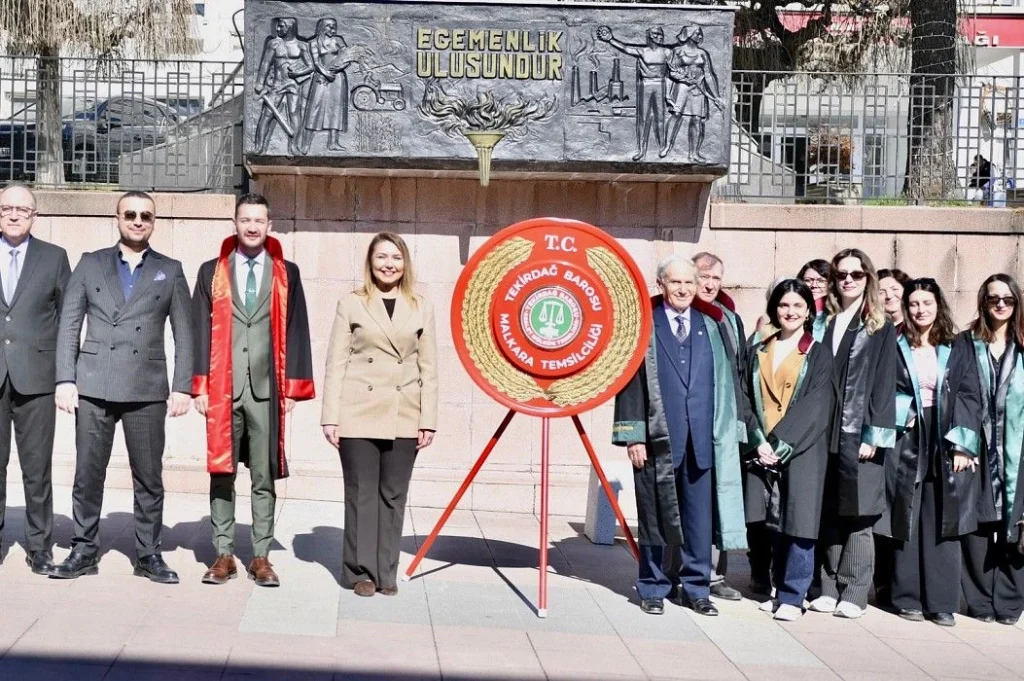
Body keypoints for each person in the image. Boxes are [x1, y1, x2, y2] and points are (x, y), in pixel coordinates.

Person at [51, 191, 193, 583]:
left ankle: (149, 553)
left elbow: (185, 332)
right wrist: (65, 378)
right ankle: (84, 548)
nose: (137, 221)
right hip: (94, 383)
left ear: (153, 223)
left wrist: (183, 386)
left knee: (149, 475)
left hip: (146, 388)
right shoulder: (90, 264)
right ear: (117, 218)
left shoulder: (170, 269)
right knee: (87, 472)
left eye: (145, 216)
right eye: (130, 214)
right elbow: (69, 325)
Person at [613, 255, 748, 616]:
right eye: (676, 282)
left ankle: (696, 588)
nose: (684, 289)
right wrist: (633, 435)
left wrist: (732, 429)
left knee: (698, 519)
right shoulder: (644, 325)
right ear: (661, 285)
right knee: (655, 516)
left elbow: (730, 380)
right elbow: (628, 384)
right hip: (657, 439)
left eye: (689, 282)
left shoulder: (712, 325)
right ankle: (654, 587)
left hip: (703, 439)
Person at [191, 193, 315, 587]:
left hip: (266, 389)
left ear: (269, 225)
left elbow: (297, 329)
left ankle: (260, 556)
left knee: (263, 475)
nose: (252, 227)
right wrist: (200, 387)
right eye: (245, 219)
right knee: (222, 471)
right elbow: (198, 332)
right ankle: (223, 552)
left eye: (259, 220)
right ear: (235, 223)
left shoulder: (286, 273)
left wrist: (293, 387)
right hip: (224, 387)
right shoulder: (212, 271)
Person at [321, 232, 438, 597]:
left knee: (393, 494)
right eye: (382, 257)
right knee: (361, 493)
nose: (389, 264)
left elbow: (429, 366)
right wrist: (331, 415)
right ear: (370, 263)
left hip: (404, 411)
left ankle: (386, 571)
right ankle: (360, 572)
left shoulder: (421, 306)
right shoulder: (352, 304)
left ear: (406, 263)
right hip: (358, 410)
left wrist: (428, 419)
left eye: (396, 257)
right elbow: (336, 361)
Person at [882, 279, 981, 627]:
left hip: (946, 431)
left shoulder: (957, 346)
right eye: (913, 304)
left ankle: (941, 601)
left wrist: (964, 444)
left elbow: (970, 394)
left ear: (938, 305)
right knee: (906, 512)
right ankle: (905, 597)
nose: (920, 310)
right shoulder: (894, 342)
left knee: (943, 515)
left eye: (926, 302)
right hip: (908, 433)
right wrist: (903, 414)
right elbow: (882, 387)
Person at [811, 248, 897, 619]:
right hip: (824, 431)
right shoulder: (822, 321)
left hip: (859, 432)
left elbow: (883, 384)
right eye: (841, 274)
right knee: (828, 510)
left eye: (856, 274)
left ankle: (855, 591)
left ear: (868, 279)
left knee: (859, 514)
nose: (848, 280)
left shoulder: (879, 326)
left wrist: (873, 436)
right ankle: (828, 587)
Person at [744, 279, 834, 621]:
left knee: (799, 521)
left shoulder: (819, 353)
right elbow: (743, 397)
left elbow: (817, 403)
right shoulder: (758, 349)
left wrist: (780, 444)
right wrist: (758, 440)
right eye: (784, 305)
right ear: (774, 310)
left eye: (798, 306)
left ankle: (794, 596)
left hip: (802, 448)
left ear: (809, 310)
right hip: (762, 447)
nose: (790, 312)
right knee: (771, 523)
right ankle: (776, 588)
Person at [0, 185, 70, 574]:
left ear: (34, 216)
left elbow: (68, 318)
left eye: (21, 210)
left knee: (36, 467)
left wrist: (64, 376)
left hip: (38, 378)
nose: (13, 216)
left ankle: (39, 546)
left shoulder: (54, 258)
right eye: (6, 208)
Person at [688, 251, 758, 600]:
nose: (711, 284)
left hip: (727, 423)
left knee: (724, 496)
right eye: (704, 277)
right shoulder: (681, 315)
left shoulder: (730, 317)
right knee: (691, 500)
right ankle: (684, 572)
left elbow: (741, 372)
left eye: (717, 278)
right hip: (694, 423)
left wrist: (745, 422)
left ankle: (716, 575)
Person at [961, 274, 1024, 626]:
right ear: (983, 303)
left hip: (1019, 448)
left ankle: (1010, 602)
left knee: (1019, 523)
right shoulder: (966, 343)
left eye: (1007, 299)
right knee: (978, 525)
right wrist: (963, 443)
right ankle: (980, 600)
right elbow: (958, 396)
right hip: (977, 448)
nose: (1000, 305)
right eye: (992, 299)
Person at [597, 26, 672, 161]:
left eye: (661, 34)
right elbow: (625, 48)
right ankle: (641, 150)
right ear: (650, 36)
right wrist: (610, 39)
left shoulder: (667, 52)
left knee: (660, 118)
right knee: (643, 119)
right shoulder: (642, 51)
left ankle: (663, 147)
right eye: (657, 34)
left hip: (660, 85)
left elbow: (672, 72)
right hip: (646, 85)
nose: (660, 37)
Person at [299, 18, 355, 153]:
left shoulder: (339, 40)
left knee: (336, 109)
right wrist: (325, 73)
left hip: (337, 78)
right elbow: (316, 63)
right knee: (315, 108)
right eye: (330, 27)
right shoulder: (313, 42)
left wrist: (334, 70)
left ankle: (333, 142)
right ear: (322, 27)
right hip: (321, 78)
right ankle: (306, 143)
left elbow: (347, 58)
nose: (333, 30)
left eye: (334, 27)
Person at [797, 259, 830, 341]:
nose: (814, 285)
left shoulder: (837, 315)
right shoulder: (792, 312)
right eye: (808, 280)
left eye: (821, 281)